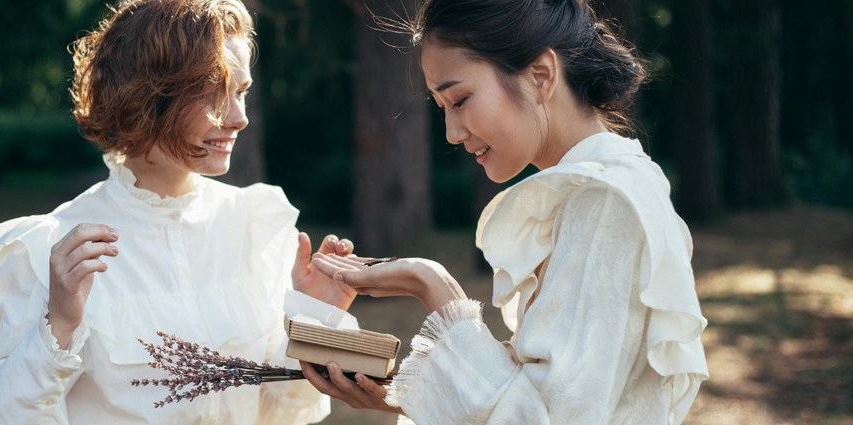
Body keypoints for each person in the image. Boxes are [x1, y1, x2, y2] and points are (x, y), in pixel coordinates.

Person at [0, 1, 357, 423]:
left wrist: (312, 324)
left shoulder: (254, 225)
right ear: (147, 96)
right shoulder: (53, 252)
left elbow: (278, 411)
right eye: (213, 92)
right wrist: (56, 330)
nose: (239, 117)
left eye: (241, 92)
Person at [301, 0, 709, 424]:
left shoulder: (606, 201)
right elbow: (545, 401)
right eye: (442, 108)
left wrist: (433, 288)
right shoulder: (597, 191)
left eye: (460, 100)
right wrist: (416, 395)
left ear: (541, 76)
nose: (452, 133)